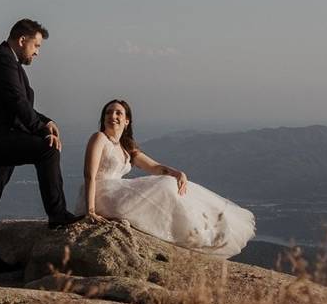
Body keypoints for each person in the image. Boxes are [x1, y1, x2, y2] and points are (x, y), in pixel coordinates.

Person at [0, 19, 83, 277]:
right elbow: (17, 102)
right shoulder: (3, 61)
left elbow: (21, 104)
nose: (37, 52)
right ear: (22, 40)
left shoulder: (7, 61)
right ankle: (57, 214)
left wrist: (45, 120)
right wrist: (41, 130)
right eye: (36, 45)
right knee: (47, 149)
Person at [79, 99, 255, 258]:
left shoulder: (126, 147)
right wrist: (91, 210)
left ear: (127, 121)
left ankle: (200, 232)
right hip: (100, 192)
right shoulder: (99, 138)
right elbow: (89, 175)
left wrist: (177, 173)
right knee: (164, 186)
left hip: (115, 192)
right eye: (108, 112)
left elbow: (154, 167)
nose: (113, 116)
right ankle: (191, 234)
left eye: (118, 113)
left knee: (170, 183)